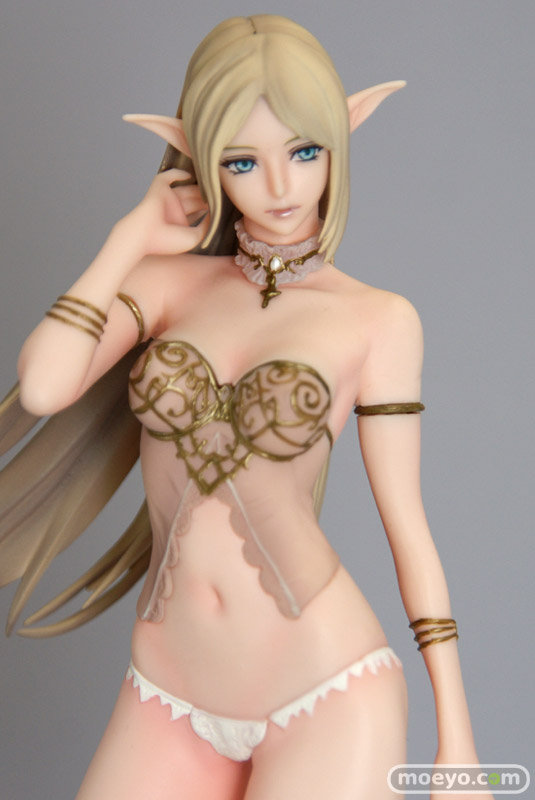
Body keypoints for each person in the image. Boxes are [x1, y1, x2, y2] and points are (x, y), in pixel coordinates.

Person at [0, 14, 491, 800]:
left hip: (326, 691)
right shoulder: (166, 284)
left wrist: (456, 735)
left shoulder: (377, 319)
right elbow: (45, 386)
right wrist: (129, 236)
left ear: (341, 135)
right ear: (198, 159)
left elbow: (409, 530)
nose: (280, 187)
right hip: (166, 692)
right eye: (241, 161)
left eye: (304, 151)